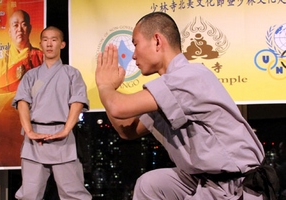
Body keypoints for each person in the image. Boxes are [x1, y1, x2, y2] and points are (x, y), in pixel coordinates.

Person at [95, 12, 279, 200]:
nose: (133, 55)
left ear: (157, 41)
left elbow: (118, 106)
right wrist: (108, 90)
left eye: (136, 44)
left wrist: (105, 86)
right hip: (206, 180)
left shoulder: (187, 77)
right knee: (150, 184)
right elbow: (128, 130)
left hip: (236, 185)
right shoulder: (165, 90)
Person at [12, 26, 92, 199]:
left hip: (63, 138)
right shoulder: (31, 76)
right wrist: (29, 131)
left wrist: (65, 130)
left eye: (54, 39)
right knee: (29, 194)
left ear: (62, 44)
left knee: (74, 194)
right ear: (40, 44)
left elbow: (77, 102)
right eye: (45, 40)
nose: (49, 44)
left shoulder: (72, 74)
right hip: (34, 141)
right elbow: (22, 103)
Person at [0, 9, 43, 167]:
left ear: (30, 29)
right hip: (5, 123)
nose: (20, 29)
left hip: (32, 123)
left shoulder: (41, 58)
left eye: (24, 25)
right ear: (9, 31)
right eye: (15, 25)